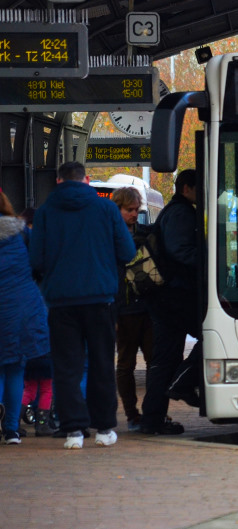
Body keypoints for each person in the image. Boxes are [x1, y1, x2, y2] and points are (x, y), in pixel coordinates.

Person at [29, 162, 134, 449]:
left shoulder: (47, 212)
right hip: (100, 299)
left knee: (66, 366)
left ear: (59, 180)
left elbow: (36, 260)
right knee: (101, 363)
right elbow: (127, 250)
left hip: (61, 301)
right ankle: (103, 428)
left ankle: (73, 430)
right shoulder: (106, 209)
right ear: (86, 180)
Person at [141, 169, 203, 434]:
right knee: (216, 335)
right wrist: (210, 263)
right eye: (200, 188)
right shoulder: (181, 213)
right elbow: (181, 252)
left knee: (164, 359)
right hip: (176, 297)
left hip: (166, 298)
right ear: (187, 188)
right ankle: (183, 382)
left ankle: (153, 419)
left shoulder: (172, 211)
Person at [0, 190, 50, 444]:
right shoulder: (21, 233)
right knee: (14, 368)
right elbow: (40, 263)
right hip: (19, 310)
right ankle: (11, 430)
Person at [111, 186, 155, 432]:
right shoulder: (109, 238)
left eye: (137, 210)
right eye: (129, 210)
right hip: (124, 308)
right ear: (117, 209)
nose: (134, 214)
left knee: (154, 362)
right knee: (126, 365)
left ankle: (151, 412)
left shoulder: (146, 235)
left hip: (146, 308)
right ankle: (132, 414)